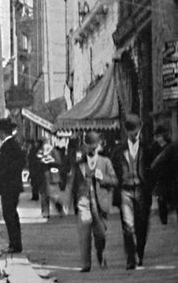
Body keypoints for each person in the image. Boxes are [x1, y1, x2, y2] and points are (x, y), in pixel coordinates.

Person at [66, 133, 117, 271]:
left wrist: (103, 178)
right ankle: (86, 264)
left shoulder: (105, 162)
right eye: (89, 147)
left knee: (100, 235)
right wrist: (68, 202)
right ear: (84, 147)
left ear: (99, 146)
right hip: (84, 201)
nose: (91, 150)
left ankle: (100, 253)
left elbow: (115, 181)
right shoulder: (79, 164)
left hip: (100, 203)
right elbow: (72, 184)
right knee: (84, 232)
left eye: (94, 147)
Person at [110, 113, 149, 268]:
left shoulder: (146, 148)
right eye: (131, 130)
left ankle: (139, 252)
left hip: (141, 190)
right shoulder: (119, 151)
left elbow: (151, 169)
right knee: (128, 226)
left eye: (136, 130)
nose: (134, 134)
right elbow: (112, 170)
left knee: (141, 225)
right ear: (127, 131)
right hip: (125, 191)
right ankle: (131, 258)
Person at [0, 118, 26, 254]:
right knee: (10, 214)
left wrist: (4, 174)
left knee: (10, 215)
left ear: (2, 132)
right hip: (9, 186)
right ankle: (14, 244)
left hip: (10, 186)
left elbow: (15, 164)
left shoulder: (11, 145)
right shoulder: (9, 144)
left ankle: (15, 245)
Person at [149, 127, 175, 225]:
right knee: (161, 198)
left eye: (159, 136)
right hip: (159, 177)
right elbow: (151, 161)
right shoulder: (154, 148)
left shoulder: (170, 146)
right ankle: (163, 220)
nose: (158, 138)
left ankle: (170, 211)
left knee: (170, 196)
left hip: (170, 176)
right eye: (157, 136)